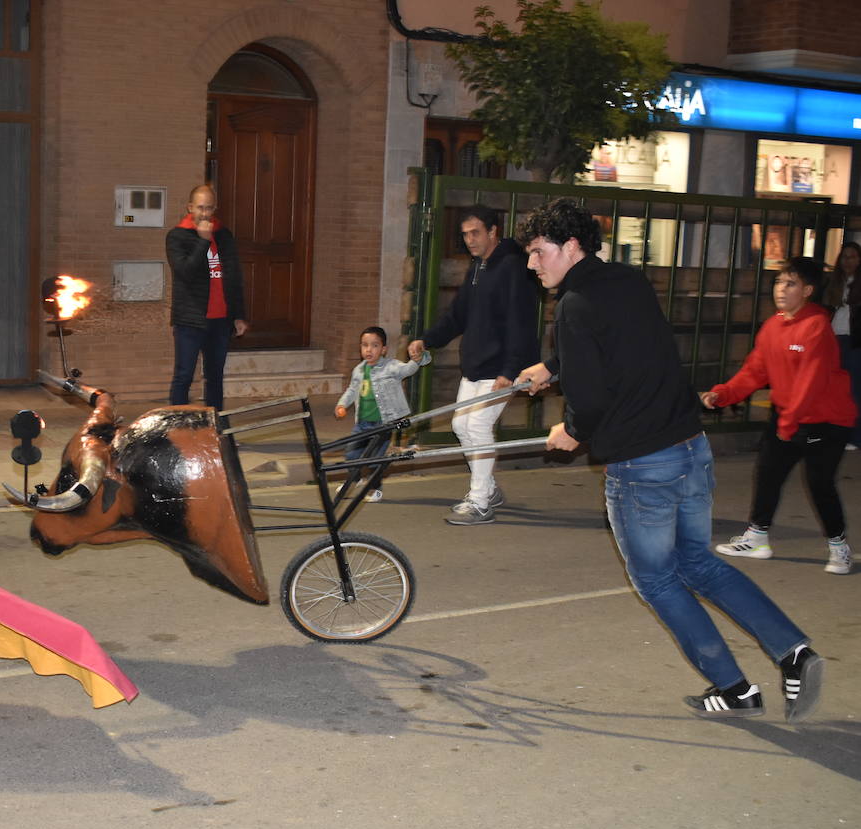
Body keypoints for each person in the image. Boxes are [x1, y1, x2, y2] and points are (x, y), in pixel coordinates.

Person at [515, 198, 822, 722]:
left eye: (539, 252)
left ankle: (734, 687)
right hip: (689, 447)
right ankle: (794, 651)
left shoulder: (572, 305)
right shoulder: (628, 282)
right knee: (698, 562)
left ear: (570, 247)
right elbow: (618, 346)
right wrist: (551, 365)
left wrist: (572, 432)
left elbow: (589, 400)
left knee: (657, 580)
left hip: (641, 465)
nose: (532, 264)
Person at [703, 256, 855, 575]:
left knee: (819, 483)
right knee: (768, 473)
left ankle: (839, 548)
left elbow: (810, 382)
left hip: (826, 421)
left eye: (790, 283)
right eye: (778, 282)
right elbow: (755, 371)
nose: (781, 289)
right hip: (789, 415)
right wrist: (724, 393)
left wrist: (788, 423)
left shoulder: (817, 327)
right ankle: (758, 538)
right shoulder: (774, 325)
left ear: (808, 290)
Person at [408, 204, 538, 525]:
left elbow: (520, 323)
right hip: (476, 364)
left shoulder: (513, 267)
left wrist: (510, 371)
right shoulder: (478, 267)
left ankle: (480, 501)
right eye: (465, 234)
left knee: (478, 426)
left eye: (475, 232)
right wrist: (427, 339)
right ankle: (489, 488)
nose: (469, 240)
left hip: (502, 368)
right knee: (460, 426)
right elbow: (458, 315)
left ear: (493, 231)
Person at [166, 184, 248, 411]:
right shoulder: (177, 236)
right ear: (190, 207)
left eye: (209, 208)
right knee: (184, 375)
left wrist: (238, 315)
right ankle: (179, 428)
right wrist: (202, 241)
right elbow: (185, 272)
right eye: (200, 208)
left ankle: (216, 428)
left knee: (215, 377)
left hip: (220, 319)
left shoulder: (224, 235)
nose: (205, 213)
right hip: (191, 319)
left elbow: (234, 276)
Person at [334, 326, 430, 502]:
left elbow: (408, 369)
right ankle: (355, 479)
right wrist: (342, 405)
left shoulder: (391, 367)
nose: (369, 349)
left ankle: (376, 489)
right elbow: (352, 390)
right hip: (362, 422)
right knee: (352, 453)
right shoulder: (359, 370)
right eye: (365, 345)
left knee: (375, 459)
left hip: (382, 424)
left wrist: (418, 359)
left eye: (375, 345)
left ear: (384, 349)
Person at [823, 240, 861, 450]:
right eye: (845, 257)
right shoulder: (834, 282)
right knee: (835, 387)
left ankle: (855, 436)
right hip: (835, 337)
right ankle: (835, 431)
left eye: (853, 256)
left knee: (854, 388)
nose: (848, 261)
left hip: (854, 339)